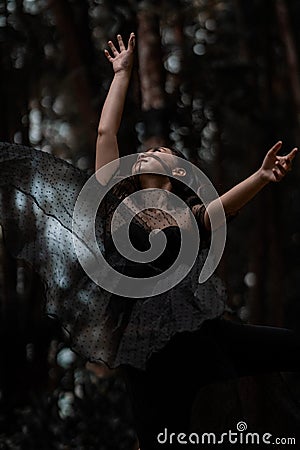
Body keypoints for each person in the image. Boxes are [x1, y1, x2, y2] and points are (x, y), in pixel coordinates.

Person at [0, 32, 299, 450]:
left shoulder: (189, 219)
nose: (146, 151)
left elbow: (224, 208)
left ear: (179, 171)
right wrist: (122, 73)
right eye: (142, 152)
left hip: (203, 340)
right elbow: (106, 133)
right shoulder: (118, 206)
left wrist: (262, 177)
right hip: (146, 352)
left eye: (160, 150)